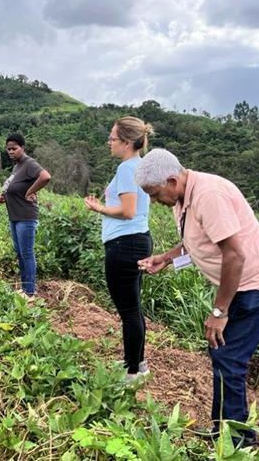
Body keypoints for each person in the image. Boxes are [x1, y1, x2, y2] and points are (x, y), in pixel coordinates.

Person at [135, 149, 259, 446]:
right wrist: (167, 258)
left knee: (229, 357)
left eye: (156, 193)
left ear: (171, 180)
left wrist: (219, 312)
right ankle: (222, 429)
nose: (156, 201)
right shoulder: (181, 197)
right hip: (242, 284)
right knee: (221, 353)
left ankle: (238, 443)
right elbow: (196, 243)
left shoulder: (209, 195)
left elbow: (234, 255)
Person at [84, 116, 153, 382]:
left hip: (124, 244)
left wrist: (98, 207)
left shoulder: (127, 169)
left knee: (129, 311)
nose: (109, 142)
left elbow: (127, 211)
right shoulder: (139, 166)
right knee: (133, 307)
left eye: (112, 138)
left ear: (126, 142)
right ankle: (137, 362)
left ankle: (132, 371)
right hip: (137, 240)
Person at [0, 134, 51, 299]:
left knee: (27, 253)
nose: (11, 152)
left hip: (26, 216)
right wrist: (3, 197)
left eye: (14, 148)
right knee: (19, 253)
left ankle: (30, 292)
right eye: (8, 149)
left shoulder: (29, 163)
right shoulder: (16, 167)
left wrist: (30, 191)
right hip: (15, 216)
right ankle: (25, 287)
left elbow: (45, 176)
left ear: (22, 148)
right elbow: (14, 188)